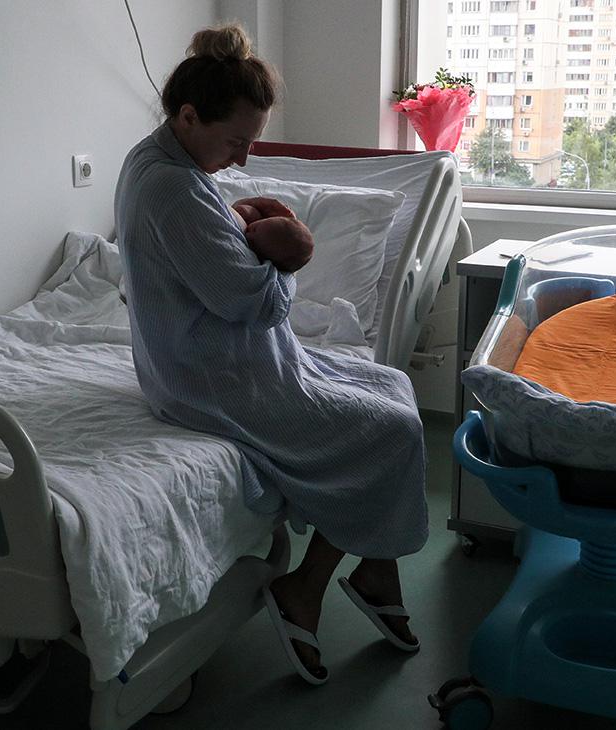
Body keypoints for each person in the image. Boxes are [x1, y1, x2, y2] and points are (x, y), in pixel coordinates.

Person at [114, 23, 428, 686]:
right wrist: (290, 258)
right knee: (394, 429)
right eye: (236, 142)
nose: (243, 160)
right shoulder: (173, 187)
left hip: (217, 357)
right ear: (188, 116)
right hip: (213, 378)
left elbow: (210, 259)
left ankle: (377, 569)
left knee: (392, 387)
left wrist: (240, 225)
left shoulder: (159, 160)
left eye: (251, 143)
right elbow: (255, 305)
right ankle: (305, 588)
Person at [229, 200, 315, 273]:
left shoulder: (252, 264)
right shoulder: (256, 220)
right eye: (255, 227)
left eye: (254, 244)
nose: (248, 234)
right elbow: (242, 209)